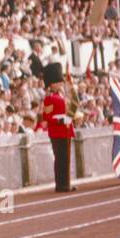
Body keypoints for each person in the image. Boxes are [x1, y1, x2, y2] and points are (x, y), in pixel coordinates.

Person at [35, 62, 75, 193]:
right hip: (58, 131)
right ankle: (61, 185)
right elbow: (48, 117)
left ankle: (66, 183)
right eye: (57, 82)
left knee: (66, 159)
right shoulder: (49, 98)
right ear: (51, 84)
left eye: (60, 82)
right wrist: (62, 120)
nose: (59, 84)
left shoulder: (60, 96)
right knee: (60, 159)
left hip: (65, 130)